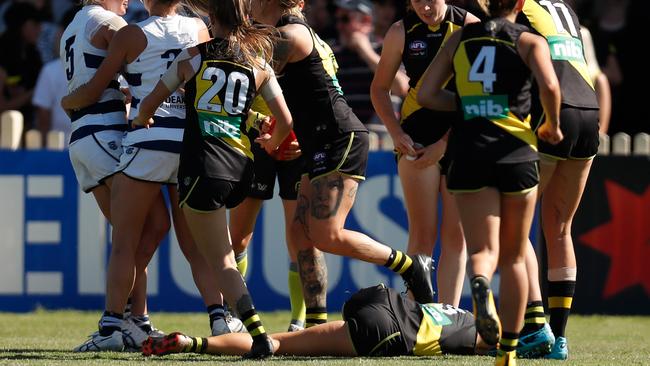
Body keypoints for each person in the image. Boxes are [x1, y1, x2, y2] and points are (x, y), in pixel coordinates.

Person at [61, 0, 247, 350]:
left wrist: (66, 103)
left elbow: (96, 87)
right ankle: (221, 317)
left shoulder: (130, 34)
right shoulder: (199, 29)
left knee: (125, 243)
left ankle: (112, 329)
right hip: (191, 143)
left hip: (147, 141)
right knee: (198, 247)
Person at [251, 0, 436, 328]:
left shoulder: (287, 36)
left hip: (338, 138)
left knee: (326, 234)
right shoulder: (304, 34)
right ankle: (316, 324)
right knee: (300, 234)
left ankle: (409, 266)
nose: (250, 7)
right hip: (321, 140)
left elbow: (253, 80)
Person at [131, 0, 295, 357]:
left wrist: (141, 118)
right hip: (242, 170)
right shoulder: (259, 62)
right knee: (226, 253)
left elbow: (152, 101)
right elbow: (285, 122)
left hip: (203, 167)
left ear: (210, 17)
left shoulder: (193, 57)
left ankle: (257, 333)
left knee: (218, 260)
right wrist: (270, 141)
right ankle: (239, 325)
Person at [417, 0, 563, 364]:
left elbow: (427, 94)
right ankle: (507, 355)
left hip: (468, 151)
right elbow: (550, 86)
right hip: (516, 152)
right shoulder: (530, 41)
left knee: (482, 251)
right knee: (514, 255)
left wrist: (471, 103)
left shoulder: (460, 39)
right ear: (518, 3)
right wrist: (552, 126)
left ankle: (480, 284)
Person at [370, 0, 480, 307]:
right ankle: (417, 312)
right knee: (421, 234)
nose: (425, 7)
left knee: (456, 236)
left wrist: (446, 142)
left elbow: (478, 93)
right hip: (416, 138)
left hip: (460, 135)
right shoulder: (400, 31)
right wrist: (396, 133)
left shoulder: (468, 25)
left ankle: (449, 314)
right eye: (417, 1)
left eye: (431, 0)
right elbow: (379, 88)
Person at [517, 0, 601, 359]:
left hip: (556, 111)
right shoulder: (565, 8)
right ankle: (561, 338)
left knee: (516, 225)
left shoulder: (520, 7)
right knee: (561, 228)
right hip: (589, 112)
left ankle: (536, 326)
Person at [142, 284, 492, 358]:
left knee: (273, 340)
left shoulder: (456, 313)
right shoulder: (480, 334)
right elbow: (492, 341)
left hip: (382, 297)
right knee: (279, 348)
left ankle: (192, 342)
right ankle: (193, 345)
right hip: (390, 332)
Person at [229, 94, 307, 332]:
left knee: (301, 238)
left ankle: (300, 321)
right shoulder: (250, 55)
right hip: (256, 136)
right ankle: (234, 315)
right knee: (238, 238)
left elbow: (325, 91)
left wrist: (306, 136)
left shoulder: (315, 54)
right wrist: (257, 119)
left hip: (297, 140)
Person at [0, 2, 43, 135]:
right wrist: (33, 93)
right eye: (35, 24)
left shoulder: (32, 53)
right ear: (21, 26)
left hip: (27, 131)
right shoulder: (2, 55)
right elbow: (2, 106)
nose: (40, 29)